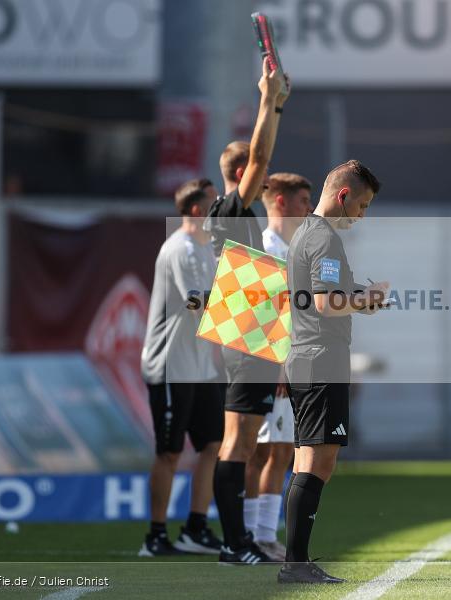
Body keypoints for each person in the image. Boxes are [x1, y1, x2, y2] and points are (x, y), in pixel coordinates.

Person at [279, 160, 386, 584]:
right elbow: (325, 304)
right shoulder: (324, 238)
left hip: (307, 356)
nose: (361, 215)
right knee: (318, 463)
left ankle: (295, 561)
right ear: (343, 196)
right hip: (321, 359)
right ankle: (296, 563)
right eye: (361, 205)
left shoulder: (306, 231)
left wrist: (359, 294)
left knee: (308, 460)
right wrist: (368, 299)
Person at [205, 57, 290, 565]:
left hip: (249, 330)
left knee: (244, 442)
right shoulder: (233, 209)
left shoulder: (239, 213)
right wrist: (265, 98)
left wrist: (276, 103)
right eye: (255, 175)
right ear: (242, 176)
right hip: (245, 332)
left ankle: (238, 541)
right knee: (238, 443)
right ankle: (236, 543)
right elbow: (259, 153)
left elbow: (259, 153)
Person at [138, 178, 225, 556]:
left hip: (200, 365)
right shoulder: (181, 248)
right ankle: (156, 535)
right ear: (195, 210)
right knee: (169, 452)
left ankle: (195, 527)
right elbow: (197, 305)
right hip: (172, 364)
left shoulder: (206, 250)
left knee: (212, 444)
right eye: (213, 204)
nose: (218, 211)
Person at [243, 173, 314, 561]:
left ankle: (261, 535)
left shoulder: (294, 248)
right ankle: (252, 535)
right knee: (258, 451)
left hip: (290, 363)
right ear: (282, 203)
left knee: (280, 450)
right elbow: (259, 316)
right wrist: (278, 365)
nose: (308, 208)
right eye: (303, 200)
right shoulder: (266, 248)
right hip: (270, 366)